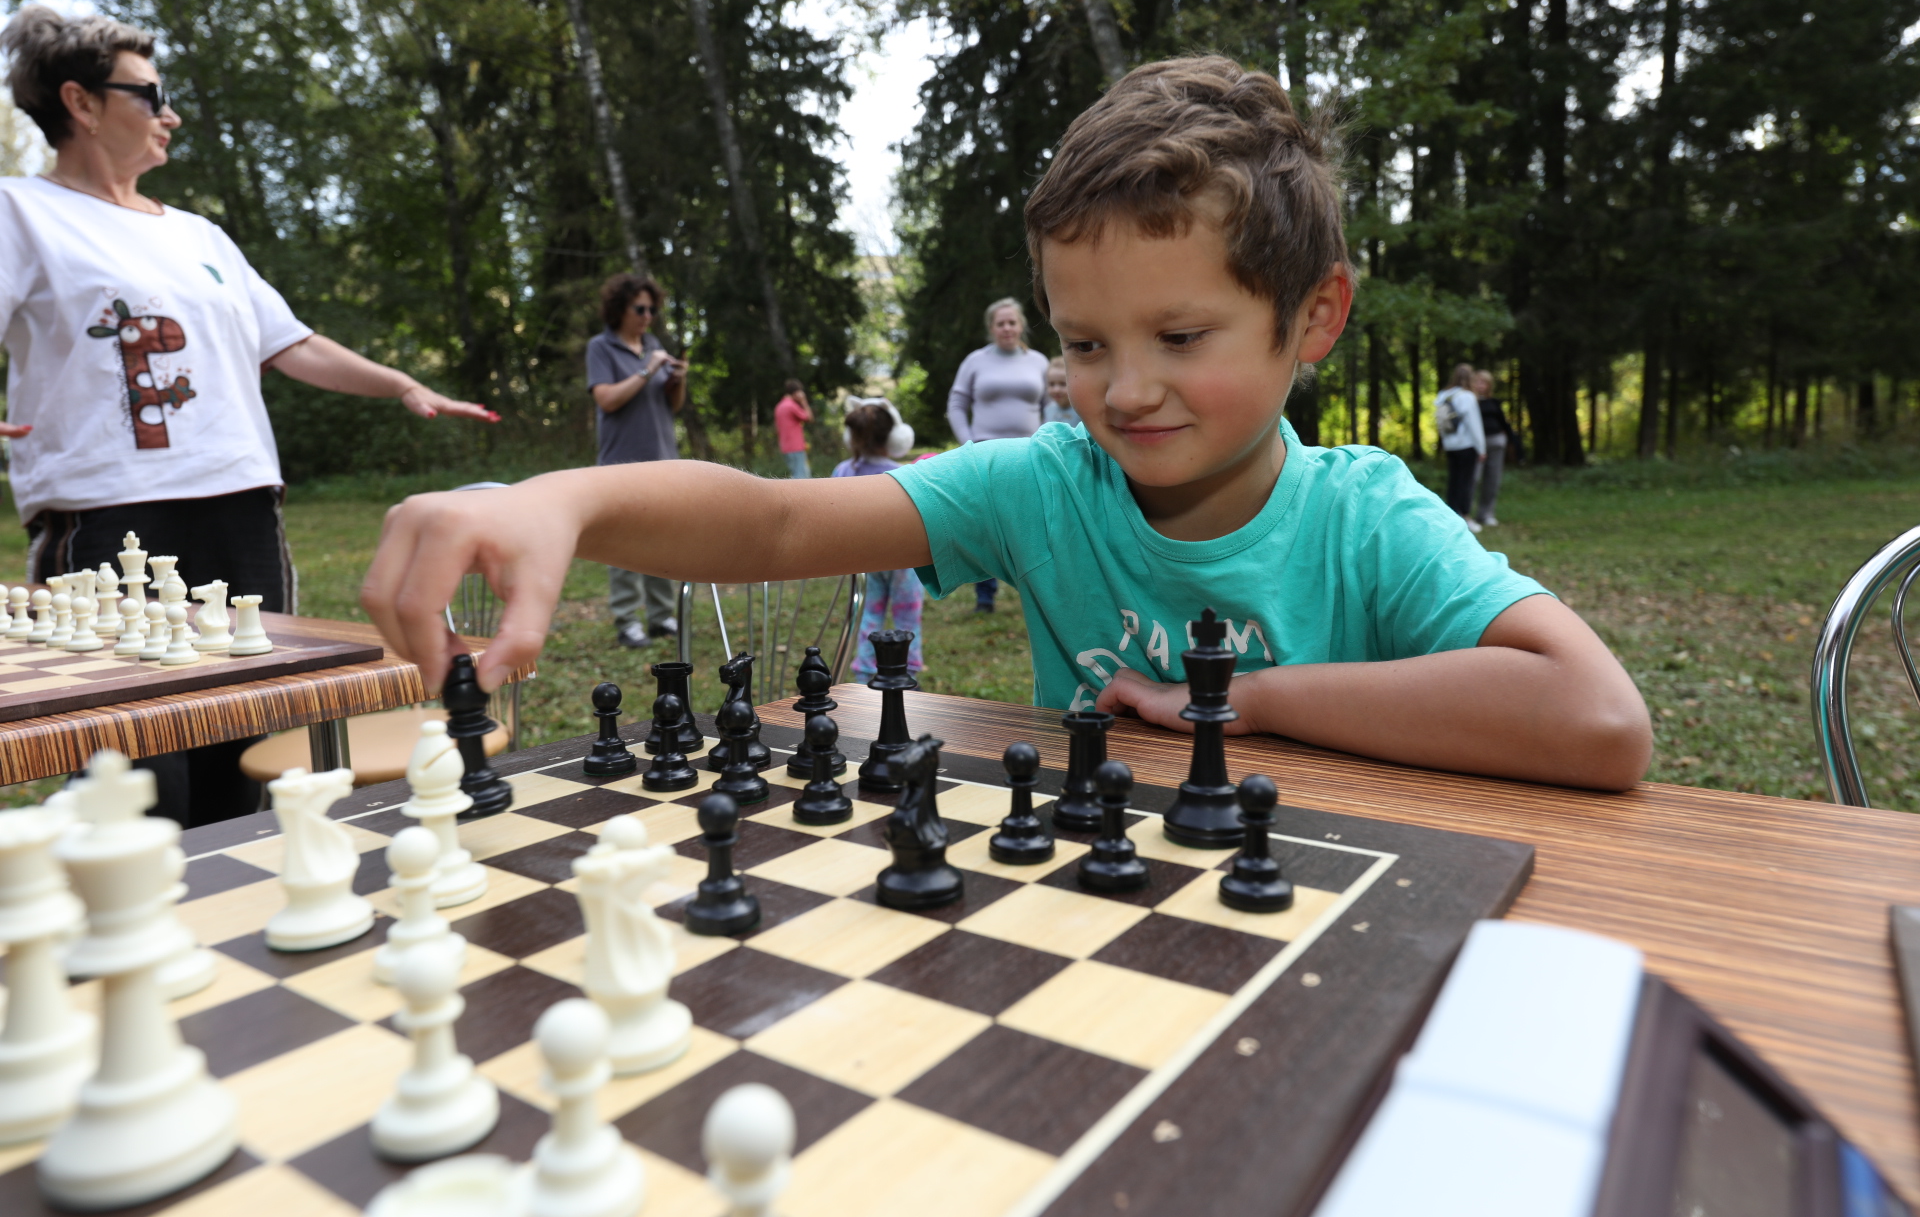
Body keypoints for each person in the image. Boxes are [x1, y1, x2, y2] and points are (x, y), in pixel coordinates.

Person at [366, 56, 1651, 793]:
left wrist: (1249, 698)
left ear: (1313, 318)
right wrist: (563, 500)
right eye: (1086, 343)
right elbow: (768, 521)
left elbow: (1598, 719)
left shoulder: (1365, 514)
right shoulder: (1042, 483)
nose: (1123, 389)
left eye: (1179, 337)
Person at [0, 7, 494, 825]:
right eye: (150, 93)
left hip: (241, 510)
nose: (171, 112)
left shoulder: (200, 235)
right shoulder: (21, 212)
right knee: (138, 769)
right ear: (80, 104)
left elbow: (291, 343)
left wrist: (400, 381)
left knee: (250, 743)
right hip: (109, 515)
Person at [587, 271, 688, 650]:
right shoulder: (601, 347)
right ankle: (628, 620)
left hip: (662, 460)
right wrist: (647, 369)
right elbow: (607, 399)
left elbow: (671, 406)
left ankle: (662, 616)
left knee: (664, 540)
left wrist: (677, 380)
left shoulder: (654, 344)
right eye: (640, 308)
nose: (648, 315)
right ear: (620, 309)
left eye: (652, 309)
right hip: (620, 463)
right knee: (623, 543)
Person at [947, 297, 1049, 612]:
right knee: (985, 524)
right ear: (991, 328)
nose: (1007, 328)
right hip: (984, 456)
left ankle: (1036, 593)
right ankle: (985, 595)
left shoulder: (1039, 362)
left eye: (1012, 322)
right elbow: (956, 404)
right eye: (1000, 323)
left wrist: (1046, 442)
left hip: (1029, 456)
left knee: (1031, 524)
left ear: (1021, 325)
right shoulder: (975, 361)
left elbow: (1050, 406)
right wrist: (968, 443)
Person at [834, 401, 924, 682]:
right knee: (907, 615)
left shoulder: (842, 472)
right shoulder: (905, 473)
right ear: (894, 437)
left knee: (868, 614)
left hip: (863, 561)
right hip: (903, 561)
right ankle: (907, 672)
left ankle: (864, 672)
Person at [1434, 363, 1485, 532]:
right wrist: (1481, 448)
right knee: (1466, 482)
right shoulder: (1467, 396)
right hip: (1466, 445)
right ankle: (1466, 516)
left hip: (1450, 446)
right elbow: (1474, 424)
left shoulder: (1443, 395)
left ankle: (1451, 515)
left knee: (1454, 481)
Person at [1472, 369, 1511, 528]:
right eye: (1478, 382)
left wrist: (1511, 442)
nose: (1481, 386)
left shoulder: (1494, 402)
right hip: (1476, 445)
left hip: (1496, 443)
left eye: (1484, 382)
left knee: (1492, 480)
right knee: (1474, 478)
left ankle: (1486, 514)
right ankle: (1465, 513)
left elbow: (1504, 423)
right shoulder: (1469, 401)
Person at [773, 379, 812, 478]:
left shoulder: (779, 406)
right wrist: (804, 402)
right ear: (796, 393)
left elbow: (777, 429)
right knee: (801, 478)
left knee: (796, 475)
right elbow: (809, 418)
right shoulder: (791, 406)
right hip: (796, 447)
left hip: (785, 448)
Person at [1043, 356, 1080, 426]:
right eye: (1051, 384)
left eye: (1063, 384)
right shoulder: (1048, 409)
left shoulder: (1082, 412)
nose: (1056, 390)